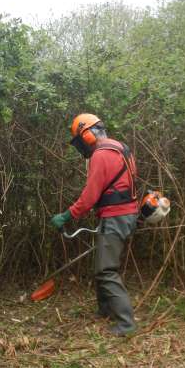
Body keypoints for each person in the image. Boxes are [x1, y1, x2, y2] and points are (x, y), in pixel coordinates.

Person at [50, 113, 138, 336]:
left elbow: (89, 197)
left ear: (88, 134)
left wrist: (66, 215)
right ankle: (105, 309)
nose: (81, 147)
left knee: (106, 270)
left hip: (116, 216)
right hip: (125, 214)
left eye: (80, 140)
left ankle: (126, 324)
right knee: (102, 262)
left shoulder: (101, 155)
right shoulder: (120, 148)